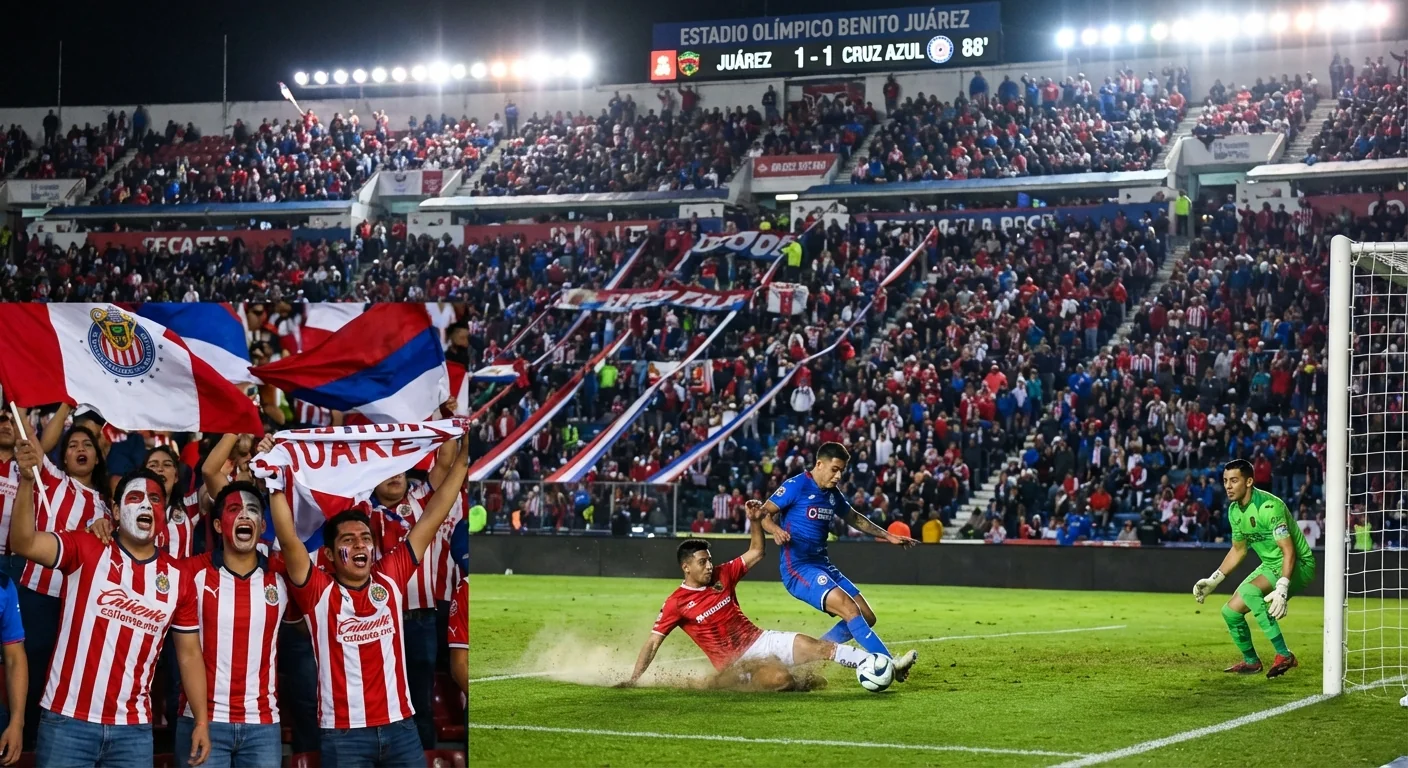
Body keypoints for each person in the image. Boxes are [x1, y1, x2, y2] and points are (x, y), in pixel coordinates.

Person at [270, 436, 469, 768]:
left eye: (365, 538)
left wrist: (463, 458)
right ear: (331, 555)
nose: (360, 545)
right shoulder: (318, 592)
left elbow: (434, 515)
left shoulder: (389, 577)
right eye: (349, 540)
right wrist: (275, 485)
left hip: (401, 729)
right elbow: (290, 540)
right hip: (344, 737)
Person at [11, 437, 210, 767]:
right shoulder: (87, 547)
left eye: (155, 499)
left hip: (132, 732)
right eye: (135, 498)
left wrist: (201, 721)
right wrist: (28, 482)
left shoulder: (178, 578)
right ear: (115, 511)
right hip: (67, 722)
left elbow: (189, 654)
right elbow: (23, 542)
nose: (146, 505)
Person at [622, 504, 876, 691]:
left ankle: (877, 663)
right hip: (739, 662)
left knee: (819, 648)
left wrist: (754, 521)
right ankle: (790, 679)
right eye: (702, 562)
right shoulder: (676, 602)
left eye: (709, 560)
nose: (709, 566)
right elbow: (653, 643)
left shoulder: (723, 573)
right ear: (686, 568)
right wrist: (634, 679)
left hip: (762, 639)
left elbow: (756, 551)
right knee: (781, 681)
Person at [756, 442, 918, 681]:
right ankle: (891, 664)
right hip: (798, 568)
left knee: (866, 616)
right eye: (834, 469)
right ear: (819, 464)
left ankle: (813, 651)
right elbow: (762, 513)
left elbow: (853, 517)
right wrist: (775, 530)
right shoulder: (796, 485)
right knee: (850, 610)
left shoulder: (832, 495)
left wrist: (887, 535)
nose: (838, 475)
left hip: (823, 564)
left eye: (842, 470)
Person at [172, 481, 292, 768]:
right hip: (203, 721)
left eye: (252, 510)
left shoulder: (282, 575)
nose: (243, 516)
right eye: (234, 509)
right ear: (216, 525)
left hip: (262, 723)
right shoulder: (190, 572)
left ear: (262, 526)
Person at [361, 438, 462, 749]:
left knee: (421, 701)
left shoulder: (421, 501)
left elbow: (444, 462)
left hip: (421, 619)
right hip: (379, 623)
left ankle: (425, 757)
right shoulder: (362, 510)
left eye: (400, 471)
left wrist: (447, 423)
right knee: (379, 700)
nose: (396, 477)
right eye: (387, 472)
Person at [1192, 459, 1316, 678]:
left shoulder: (1269, 507)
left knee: (1249, 591)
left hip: (1298, 564)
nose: (1228, 486)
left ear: (1249, 481)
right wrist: (1214, 580)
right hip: (1270, 565)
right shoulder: (1234, 511)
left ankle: (1284, 654)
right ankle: (1251, 661)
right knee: (1230, 612)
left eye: (1234, 480)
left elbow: (1289, 551)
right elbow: (1238, 550)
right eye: (1225, 481)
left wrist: (1282, 587)